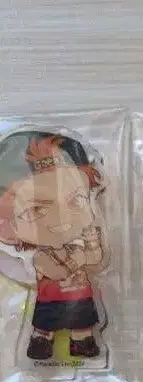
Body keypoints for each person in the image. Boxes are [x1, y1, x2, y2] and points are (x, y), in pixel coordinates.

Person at [0, 131, 106, 361]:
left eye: (76, 200)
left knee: (82, 323)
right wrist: (79, 258)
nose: (62, 219)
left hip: (80, 297)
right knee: (45, 325)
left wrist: (91, 243)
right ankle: (40, 342)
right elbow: (57, 272)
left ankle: (83, 342)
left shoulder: (75, 246)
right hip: (51, 300)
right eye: (37, 209)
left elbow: (95, 259)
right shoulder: (41, 256)